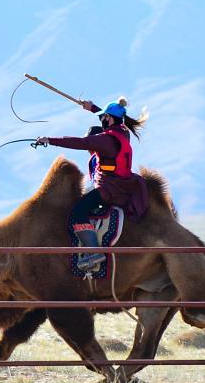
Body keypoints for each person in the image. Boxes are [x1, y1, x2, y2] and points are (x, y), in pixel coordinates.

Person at [35, 96, 149, 271]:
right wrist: (92, 108)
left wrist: (49, 140)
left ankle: (94, 253)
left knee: (78, 212)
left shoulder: (105, 140)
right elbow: (106, 119)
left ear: (110, 119)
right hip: (124, 185)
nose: (102, 120)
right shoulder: (123, 133)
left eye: (104, 117)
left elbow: (80, 143)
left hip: (109, 189)